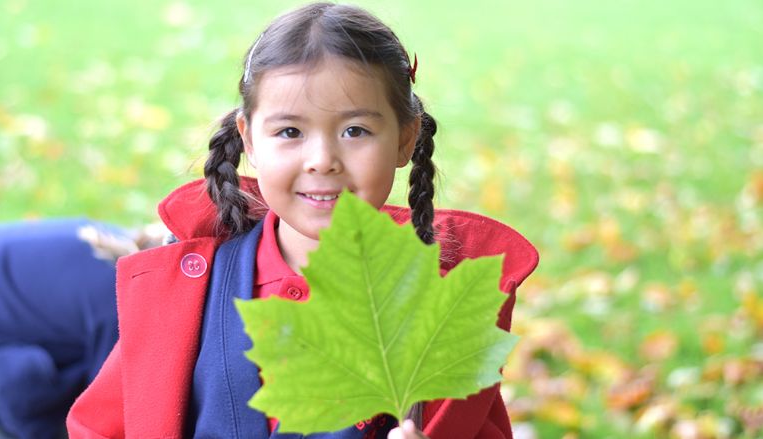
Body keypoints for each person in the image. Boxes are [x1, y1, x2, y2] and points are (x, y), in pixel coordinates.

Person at [67, 3, 539, 438]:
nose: (322, 160)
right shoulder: (191, 290)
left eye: (355, 130)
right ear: (249, 140)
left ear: (404, 139)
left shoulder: (440, 318)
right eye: (290, 131)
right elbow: (100, 426)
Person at [0, 219, 134, 439]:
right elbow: (109, 416)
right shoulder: (122, 302)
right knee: (17, 387)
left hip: (5, 316)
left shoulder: (114, 245)